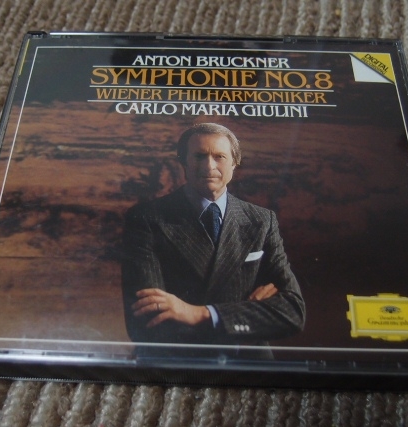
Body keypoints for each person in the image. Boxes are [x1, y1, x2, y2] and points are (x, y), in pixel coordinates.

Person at [121, 123, 305, 358]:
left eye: (219, 156)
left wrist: (199, 314)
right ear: (184, 162)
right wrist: (250, 316)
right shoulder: (146, 218)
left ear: (234, 162)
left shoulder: (262, 220)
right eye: (199, 156)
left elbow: (293, 312)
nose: (209, 166)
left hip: (251, 366)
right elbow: (148, 320)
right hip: (178, 366)